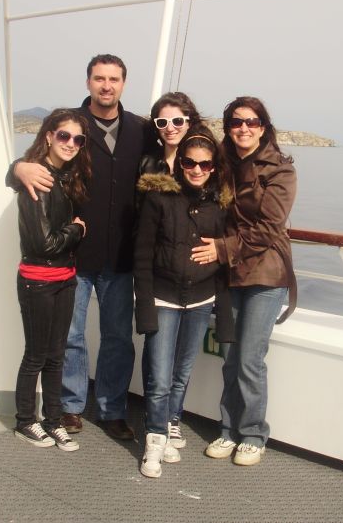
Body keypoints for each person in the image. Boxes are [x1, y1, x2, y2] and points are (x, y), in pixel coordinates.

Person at [7, 54, 151, 441]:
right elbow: (38, 160)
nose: (107, 85)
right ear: (88, 82)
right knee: (69, 338)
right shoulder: (72, 125)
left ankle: (112, 410)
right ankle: (70, 408)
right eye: (99, 78)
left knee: (118, 338)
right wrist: (17, 168)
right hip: (74, 255)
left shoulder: (139, 129)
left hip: (121, 255)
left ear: (123, 83)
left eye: (114, 79)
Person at [192, 96, 297, 466]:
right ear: (228, 127)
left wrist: (222, 249)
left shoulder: (280, 170)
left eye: (252, 122)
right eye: (236, 122)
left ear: (263, 127)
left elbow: (269, 228)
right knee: (229, 355)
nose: (244, 128)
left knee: (249, 357)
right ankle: (227, 429)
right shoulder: (220, 164)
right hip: (230, 272)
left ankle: (252, 434)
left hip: (266, 273)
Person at [134, 125, 234, 478]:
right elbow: (142, 255)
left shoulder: (219, 205)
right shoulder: (158, 199)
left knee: (181, 373)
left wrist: (224, 315)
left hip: (201, 300)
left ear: (213, 168)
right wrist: (144, 308)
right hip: (164, 297)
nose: (196, 169)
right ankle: (155, 439)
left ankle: (170, 422)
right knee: (160, 377)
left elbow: (224, 261)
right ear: (180, 165)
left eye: (204, 164)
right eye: (190, 162)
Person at [12, 108, 90, 451]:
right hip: (39, 281)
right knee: (37, 355)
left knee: (57, 354)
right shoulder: (38, 178)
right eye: (64, 136)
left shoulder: (67, 176)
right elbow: (45, 243)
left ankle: (53, 420)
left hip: (64, 278)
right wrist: (77, 229)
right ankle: (25, 421)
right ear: (48, 136)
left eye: (78, 139)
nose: (70, 143)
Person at [138, 91, 200, 175]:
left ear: (190, 123)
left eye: (177, 121)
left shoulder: (202, 166)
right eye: (162, 122)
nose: (170, 128)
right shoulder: (145, 164)